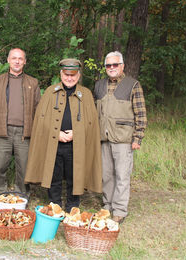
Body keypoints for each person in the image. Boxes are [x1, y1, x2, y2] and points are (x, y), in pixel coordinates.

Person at [25, 58, 102, 212]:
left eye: (73, 75)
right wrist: (56, 133)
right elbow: (41, 119)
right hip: (54, 143)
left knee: (75, 176)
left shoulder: (85, 94)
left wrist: (77, 133)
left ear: (78, 76)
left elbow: (92, 121)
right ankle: (55, 206)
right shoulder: (50, 92)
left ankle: (73, 207)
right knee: (54, 176)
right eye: (66, 74)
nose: (69, 78)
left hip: (76, 144)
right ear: (61, 74)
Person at [93, 51, 147, 224]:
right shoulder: (99, 85)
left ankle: (120, 210)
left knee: (122, 176)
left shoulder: (133, 85)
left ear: (122, 66)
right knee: (106, 175)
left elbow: (141, 114)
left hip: (124, 139)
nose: (111, 68)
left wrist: (137, 138)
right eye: (108, 65)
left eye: (115, 64)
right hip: (103, 138)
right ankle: (107, 206)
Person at [0, 48, 40, 198]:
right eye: (14, 58)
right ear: (8, 60)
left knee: (24, 168)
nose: (17, 61)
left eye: (20, 59)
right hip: (3, 131)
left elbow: (38, 110)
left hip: (25, 134)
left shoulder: (32, 83)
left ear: (25, 62)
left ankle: (22, 197)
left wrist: (37, 133)